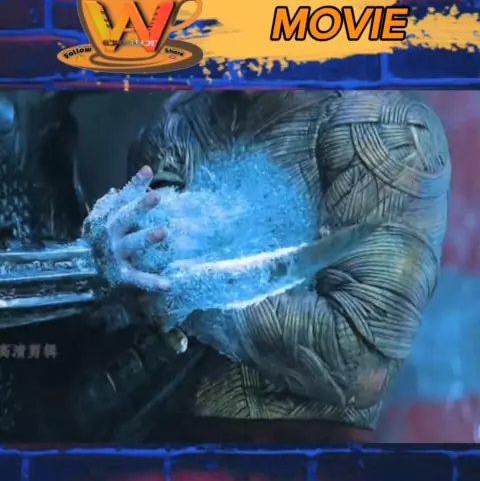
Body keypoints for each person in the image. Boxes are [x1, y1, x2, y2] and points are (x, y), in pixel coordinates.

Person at [0, 90, 451, 442]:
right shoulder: (178, 123)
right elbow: (130, 313)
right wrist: (103, 262)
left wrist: (178, 284)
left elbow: (358, 364)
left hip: (304, 461)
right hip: (156, 450)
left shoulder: (382, 128)